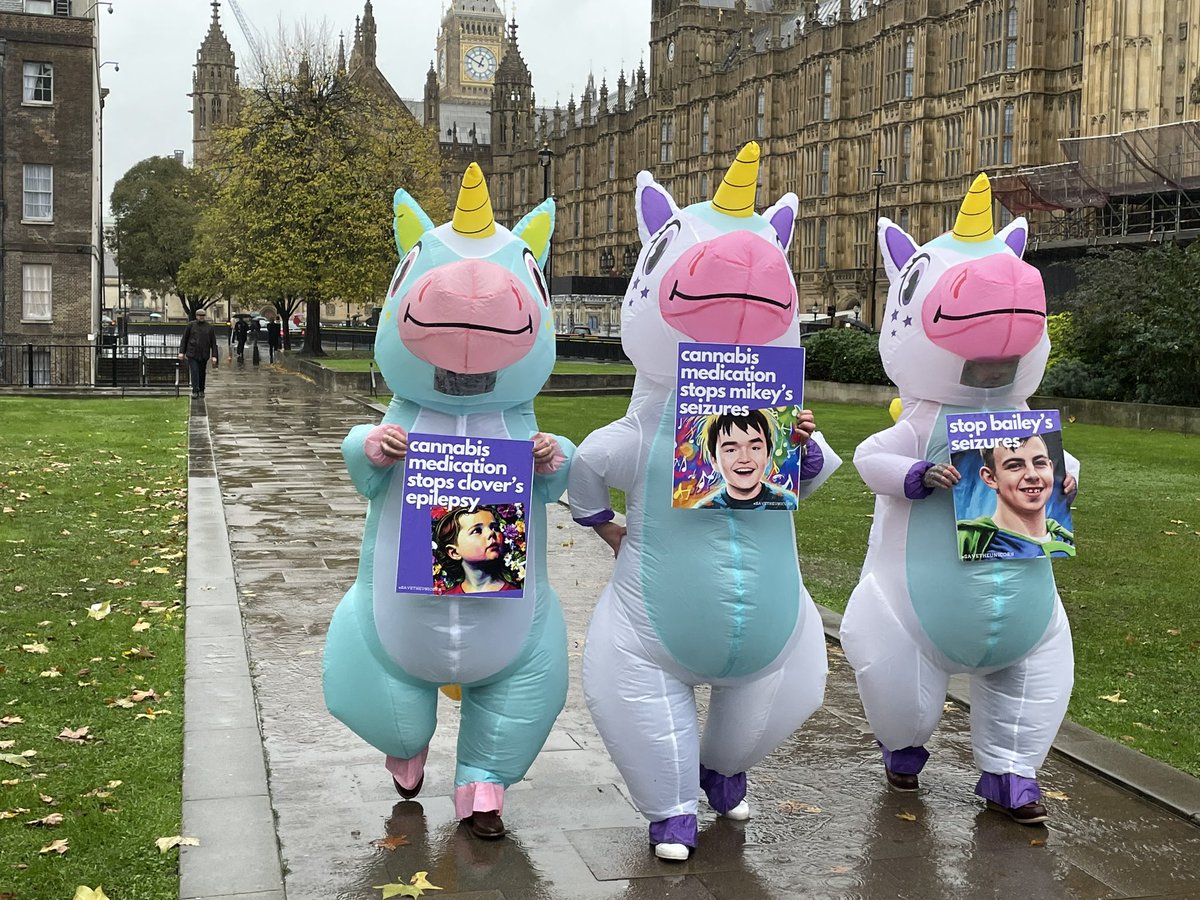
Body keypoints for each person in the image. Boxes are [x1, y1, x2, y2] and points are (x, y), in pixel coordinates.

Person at [957, 435, 1076, 560]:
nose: (1032, 475)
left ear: (1050, 469)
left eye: (1040, 463)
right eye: (1015, 466)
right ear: (990, 478)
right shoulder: (969, 540)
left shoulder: (1065, 540)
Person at [692, 409, 814, 510]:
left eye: (755, 448)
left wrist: (802, 443)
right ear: (714, 460)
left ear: (768, 454)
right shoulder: (704, 509)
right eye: (731, 450)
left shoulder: (786, 502)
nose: (744, 459)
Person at [433, 505, 520, 594]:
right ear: (454, 553)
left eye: (495, 528)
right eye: (477, 530)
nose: (491, 532)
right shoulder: (447, 597)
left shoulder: (514, 593)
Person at [177, 307, 219, 398]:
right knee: (194, 371)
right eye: (200, 315)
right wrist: (181, 352)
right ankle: (195, 390)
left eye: (203, 315)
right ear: (196, 316)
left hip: (204, 354)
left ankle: (201, 390)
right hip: (192, 353)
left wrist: (214, 356)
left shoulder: (209, 327)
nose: (201, 317)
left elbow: (213, 343)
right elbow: (184, 339)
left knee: (202, 372)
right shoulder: (191, 325)